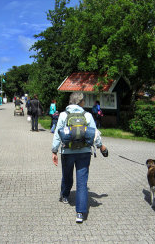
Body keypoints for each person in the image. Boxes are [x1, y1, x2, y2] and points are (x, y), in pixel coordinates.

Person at [51, 92, 108, 223]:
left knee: (67, 175)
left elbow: (57, 134)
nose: (84, 103)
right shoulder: (87, 115)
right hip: (84, 153)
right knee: (82, 183)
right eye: (83, 100)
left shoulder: (63, 115)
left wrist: (54, 151)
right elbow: (95, 134)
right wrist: (101, 146)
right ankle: (80, 213)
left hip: (67, 151)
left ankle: (65, 195)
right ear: (80, 102)